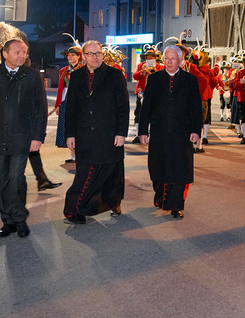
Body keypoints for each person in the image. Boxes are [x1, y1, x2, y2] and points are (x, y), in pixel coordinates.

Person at [0, 39, 47, 238]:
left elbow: (41, 109)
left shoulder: (31, 76)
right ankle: (8, 221)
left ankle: (20, 219)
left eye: (25, 52)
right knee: (2, 181)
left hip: (22, 137)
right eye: (17, 52)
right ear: (5, 53)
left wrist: (38, 136)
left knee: (16, 177)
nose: (22, 56)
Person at [63, 40, 129, 224]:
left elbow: (123, 107)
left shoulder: (115, 75)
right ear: (83, 56)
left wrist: (121, 132)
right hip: (85, 136)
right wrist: (70, 134)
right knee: (84, 174)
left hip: (109, 135)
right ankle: (76, 209)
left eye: (98, 53)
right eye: (91, 54)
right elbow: (71, 109)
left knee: (111, 173)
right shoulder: (75, 77)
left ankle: (113, 202)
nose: (95, 57)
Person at [139, 45, 202, 218]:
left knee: (179, 169)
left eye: (173, 58)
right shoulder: (153, 79)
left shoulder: (190, 80)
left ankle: (176, 206)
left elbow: (196, 108)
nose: (169, 62)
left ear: (180, 61)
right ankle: (161, 197)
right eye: (167, 58)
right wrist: (143, 130)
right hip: (159, 132)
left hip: (182, 133)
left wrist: (196, 130)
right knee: (158, 168)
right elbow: (146, 108)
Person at [52, 46, 82, 162]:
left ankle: (80, 153)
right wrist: (58, 104)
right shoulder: (64, 70)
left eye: (73, 55)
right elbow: (61, 88)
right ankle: (72, 153)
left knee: (79, 127)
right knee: (68, 127)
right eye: (69, 56)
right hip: (66, 100)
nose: (71, 57)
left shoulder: (84, 69)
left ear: (79, 57)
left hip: (80, 101)